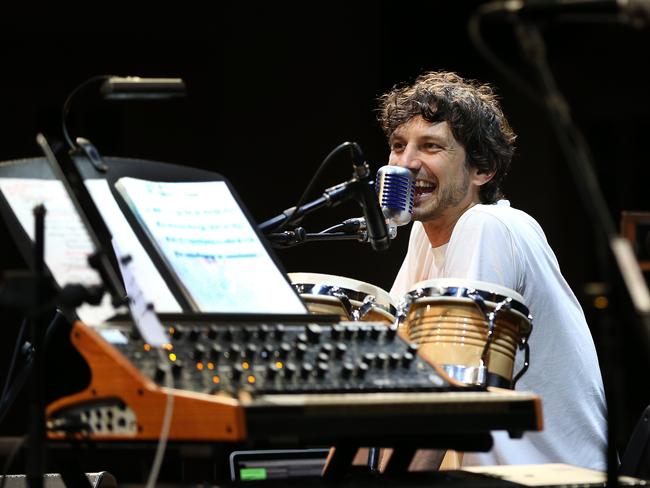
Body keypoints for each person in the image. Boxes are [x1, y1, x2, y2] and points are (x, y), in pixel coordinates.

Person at [379, 71, 608, 470]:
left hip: (546, 480)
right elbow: (393, 375)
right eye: (398, 146)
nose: (406, 163)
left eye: (430, 146)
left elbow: (450, 399)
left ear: (481, 170)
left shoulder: (489, 225)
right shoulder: (422, 235)